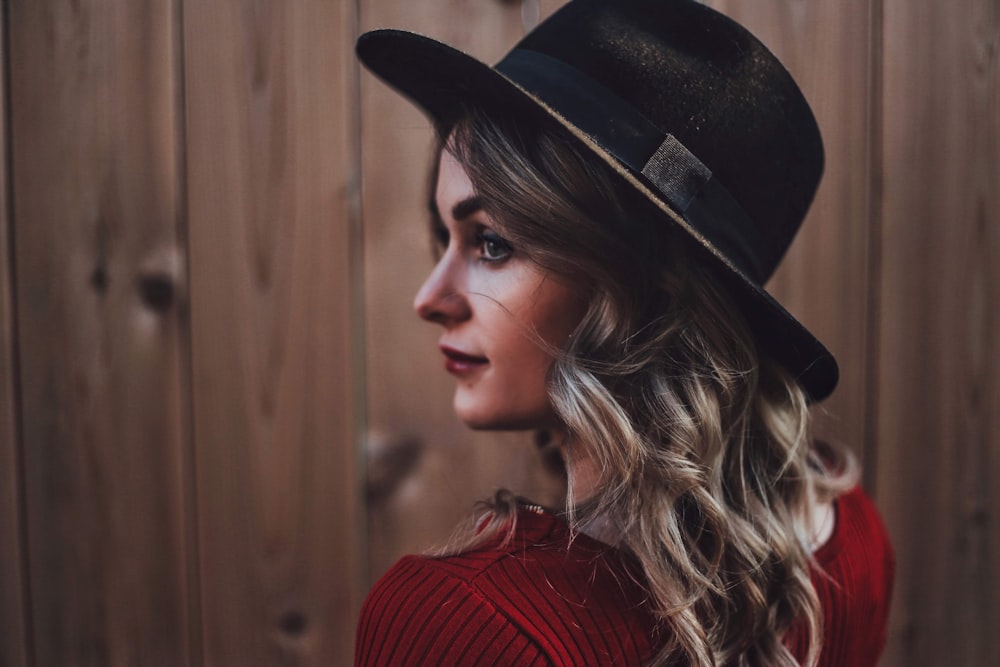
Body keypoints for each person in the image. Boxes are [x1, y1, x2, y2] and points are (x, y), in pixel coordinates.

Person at [355, 0, 894, 665]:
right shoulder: (853, 539)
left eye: (490, 242)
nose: (429, 299)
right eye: (445, 237)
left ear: (643, 291)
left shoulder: (464, 625)